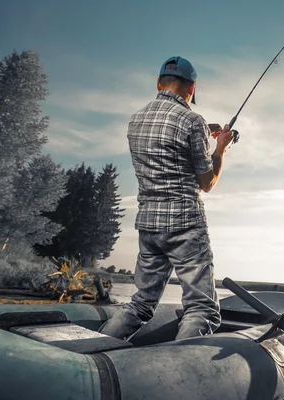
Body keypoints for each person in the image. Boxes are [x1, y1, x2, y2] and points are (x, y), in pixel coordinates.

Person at [98, 56, 235, 341]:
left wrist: (203, 133)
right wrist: (220, 147)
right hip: (185, 225)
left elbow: (166, 142)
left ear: (159, 82)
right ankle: (184, 378)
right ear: (192, 88)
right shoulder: (192, 120)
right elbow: (207, 182)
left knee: (140, 305)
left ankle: (91, 352)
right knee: (202, 310)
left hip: (148, 226)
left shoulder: (136, 120)